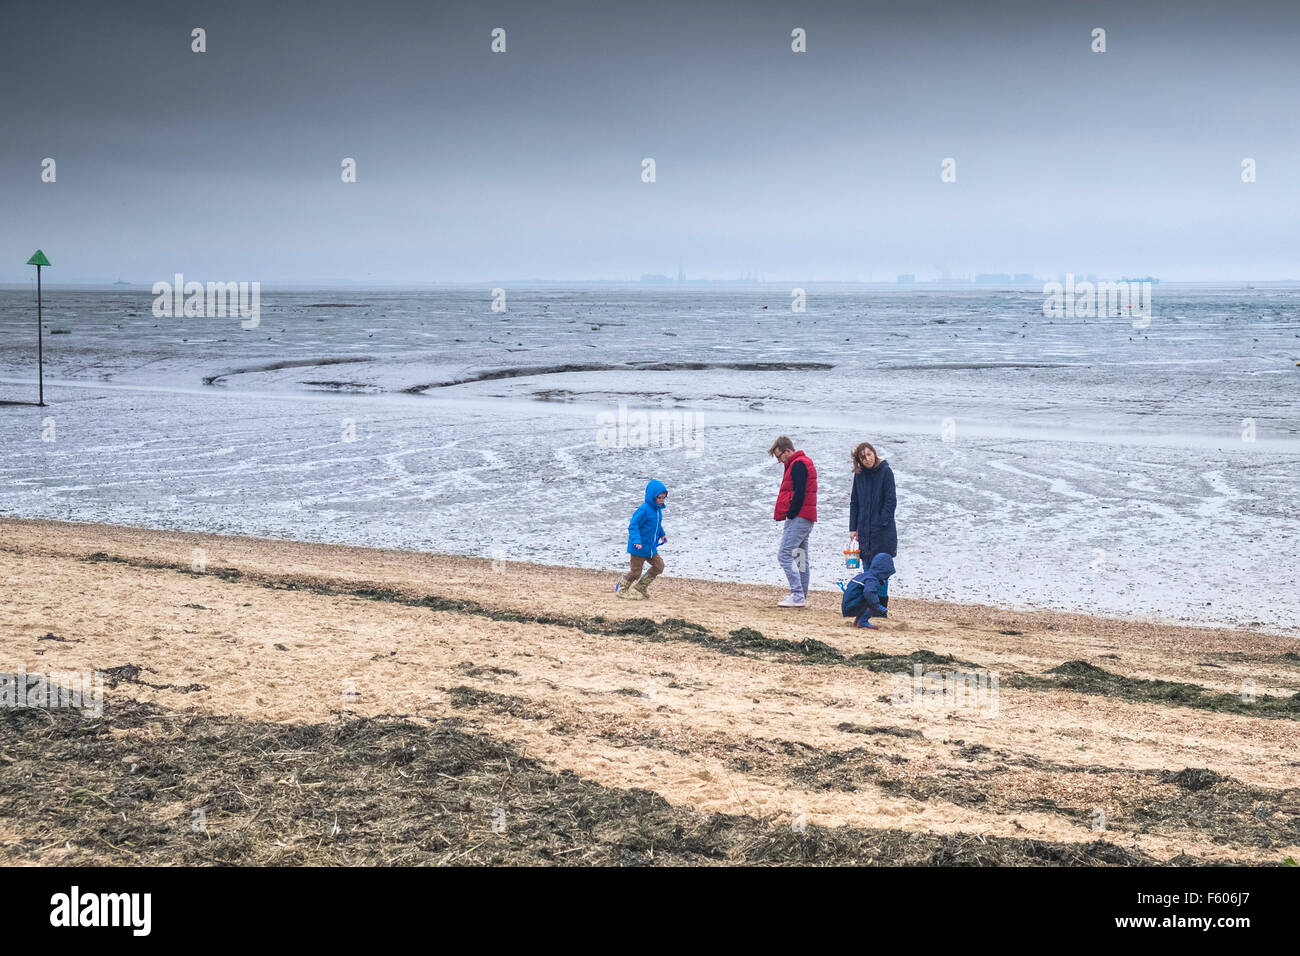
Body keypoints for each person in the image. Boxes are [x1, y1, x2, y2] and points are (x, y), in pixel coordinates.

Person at [769, 436, 817, 608]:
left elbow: (800, 493)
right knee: (801, 557)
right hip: (807, 517)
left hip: (800, 517)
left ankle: (797, 594)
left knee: (784, 554)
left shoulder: (798, 464)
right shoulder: (803, 462)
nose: (780, 460)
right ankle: (801, 595)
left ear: (787, 451)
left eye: (779, 456)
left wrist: (790, 514)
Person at [615, 479, 668, 600]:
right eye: (659, 498)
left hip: (650, 548)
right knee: (635, 572)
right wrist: (637, 541)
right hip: (638, 548)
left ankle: (641, 586)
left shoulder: (658, 510)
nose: (661, 500)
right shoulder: (644, 509)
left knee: (659, 566)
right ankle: (622, 589)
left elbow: (657, 525)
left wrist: (662, 534)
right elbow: (633, 525)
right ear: (652, 497)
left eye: (663, 498)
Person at [841, 553, 895, 629]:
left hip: (849, 604)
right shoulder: (872, 579)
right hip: (851, 606)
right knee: (872, 601)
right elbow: (869, 593)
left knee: (867, 600)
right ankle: (862, 622)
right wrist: (877, 606)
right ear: (883, 572)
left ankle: (858, 620)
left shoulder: (865, 575)